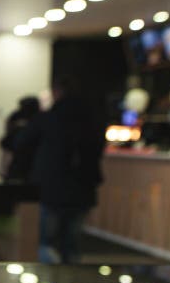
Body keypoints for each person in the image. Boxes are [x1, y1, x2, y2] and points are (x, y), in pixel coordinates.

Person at [17, 75, 105, 264]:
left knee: (46, 243)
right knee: (72, 245)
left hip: (51, 188)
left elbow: (21, 142)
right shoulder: (92, 120)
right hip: (83, 188)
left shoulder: (48, 118)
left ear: (57, 92)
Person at [0, 96, 41, 181]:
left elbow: (6, 143)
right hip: (32, 168)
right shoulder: (40, 120)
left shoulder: (18, 118)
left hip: (20, 168)